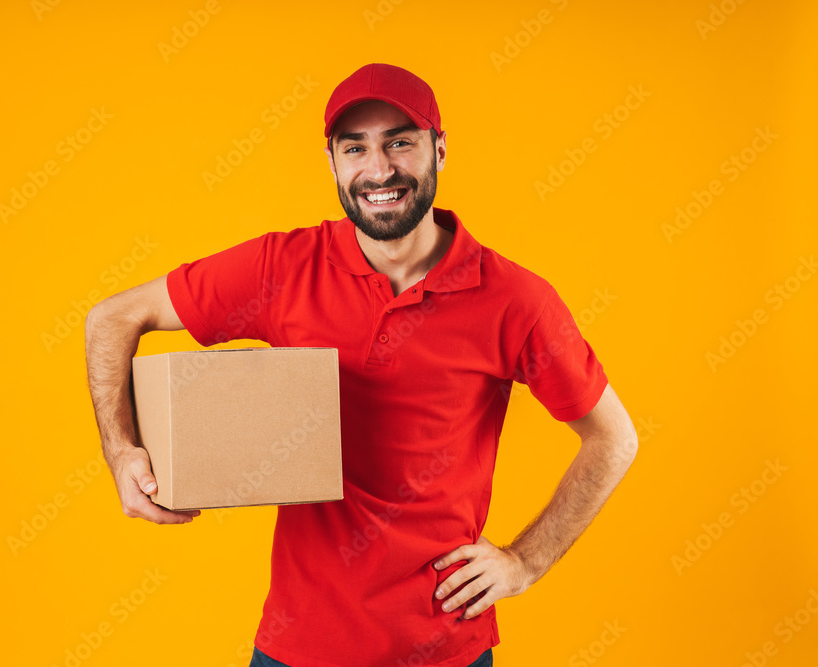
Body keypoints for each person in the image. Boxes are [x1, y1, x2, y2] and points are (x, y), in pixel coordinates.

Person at [84, 63, 639, 667]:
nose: (379, 170)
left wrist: (526, 561)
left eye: (400, 142)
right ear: (333, 162)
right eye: (356, 148)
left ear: (440, 149)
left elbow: (613, 440)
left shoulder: (515, 299)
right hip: (298, 648)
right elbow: (112, 319)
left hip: (445, 648)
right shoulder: (283, 268)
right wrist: (123, 454)